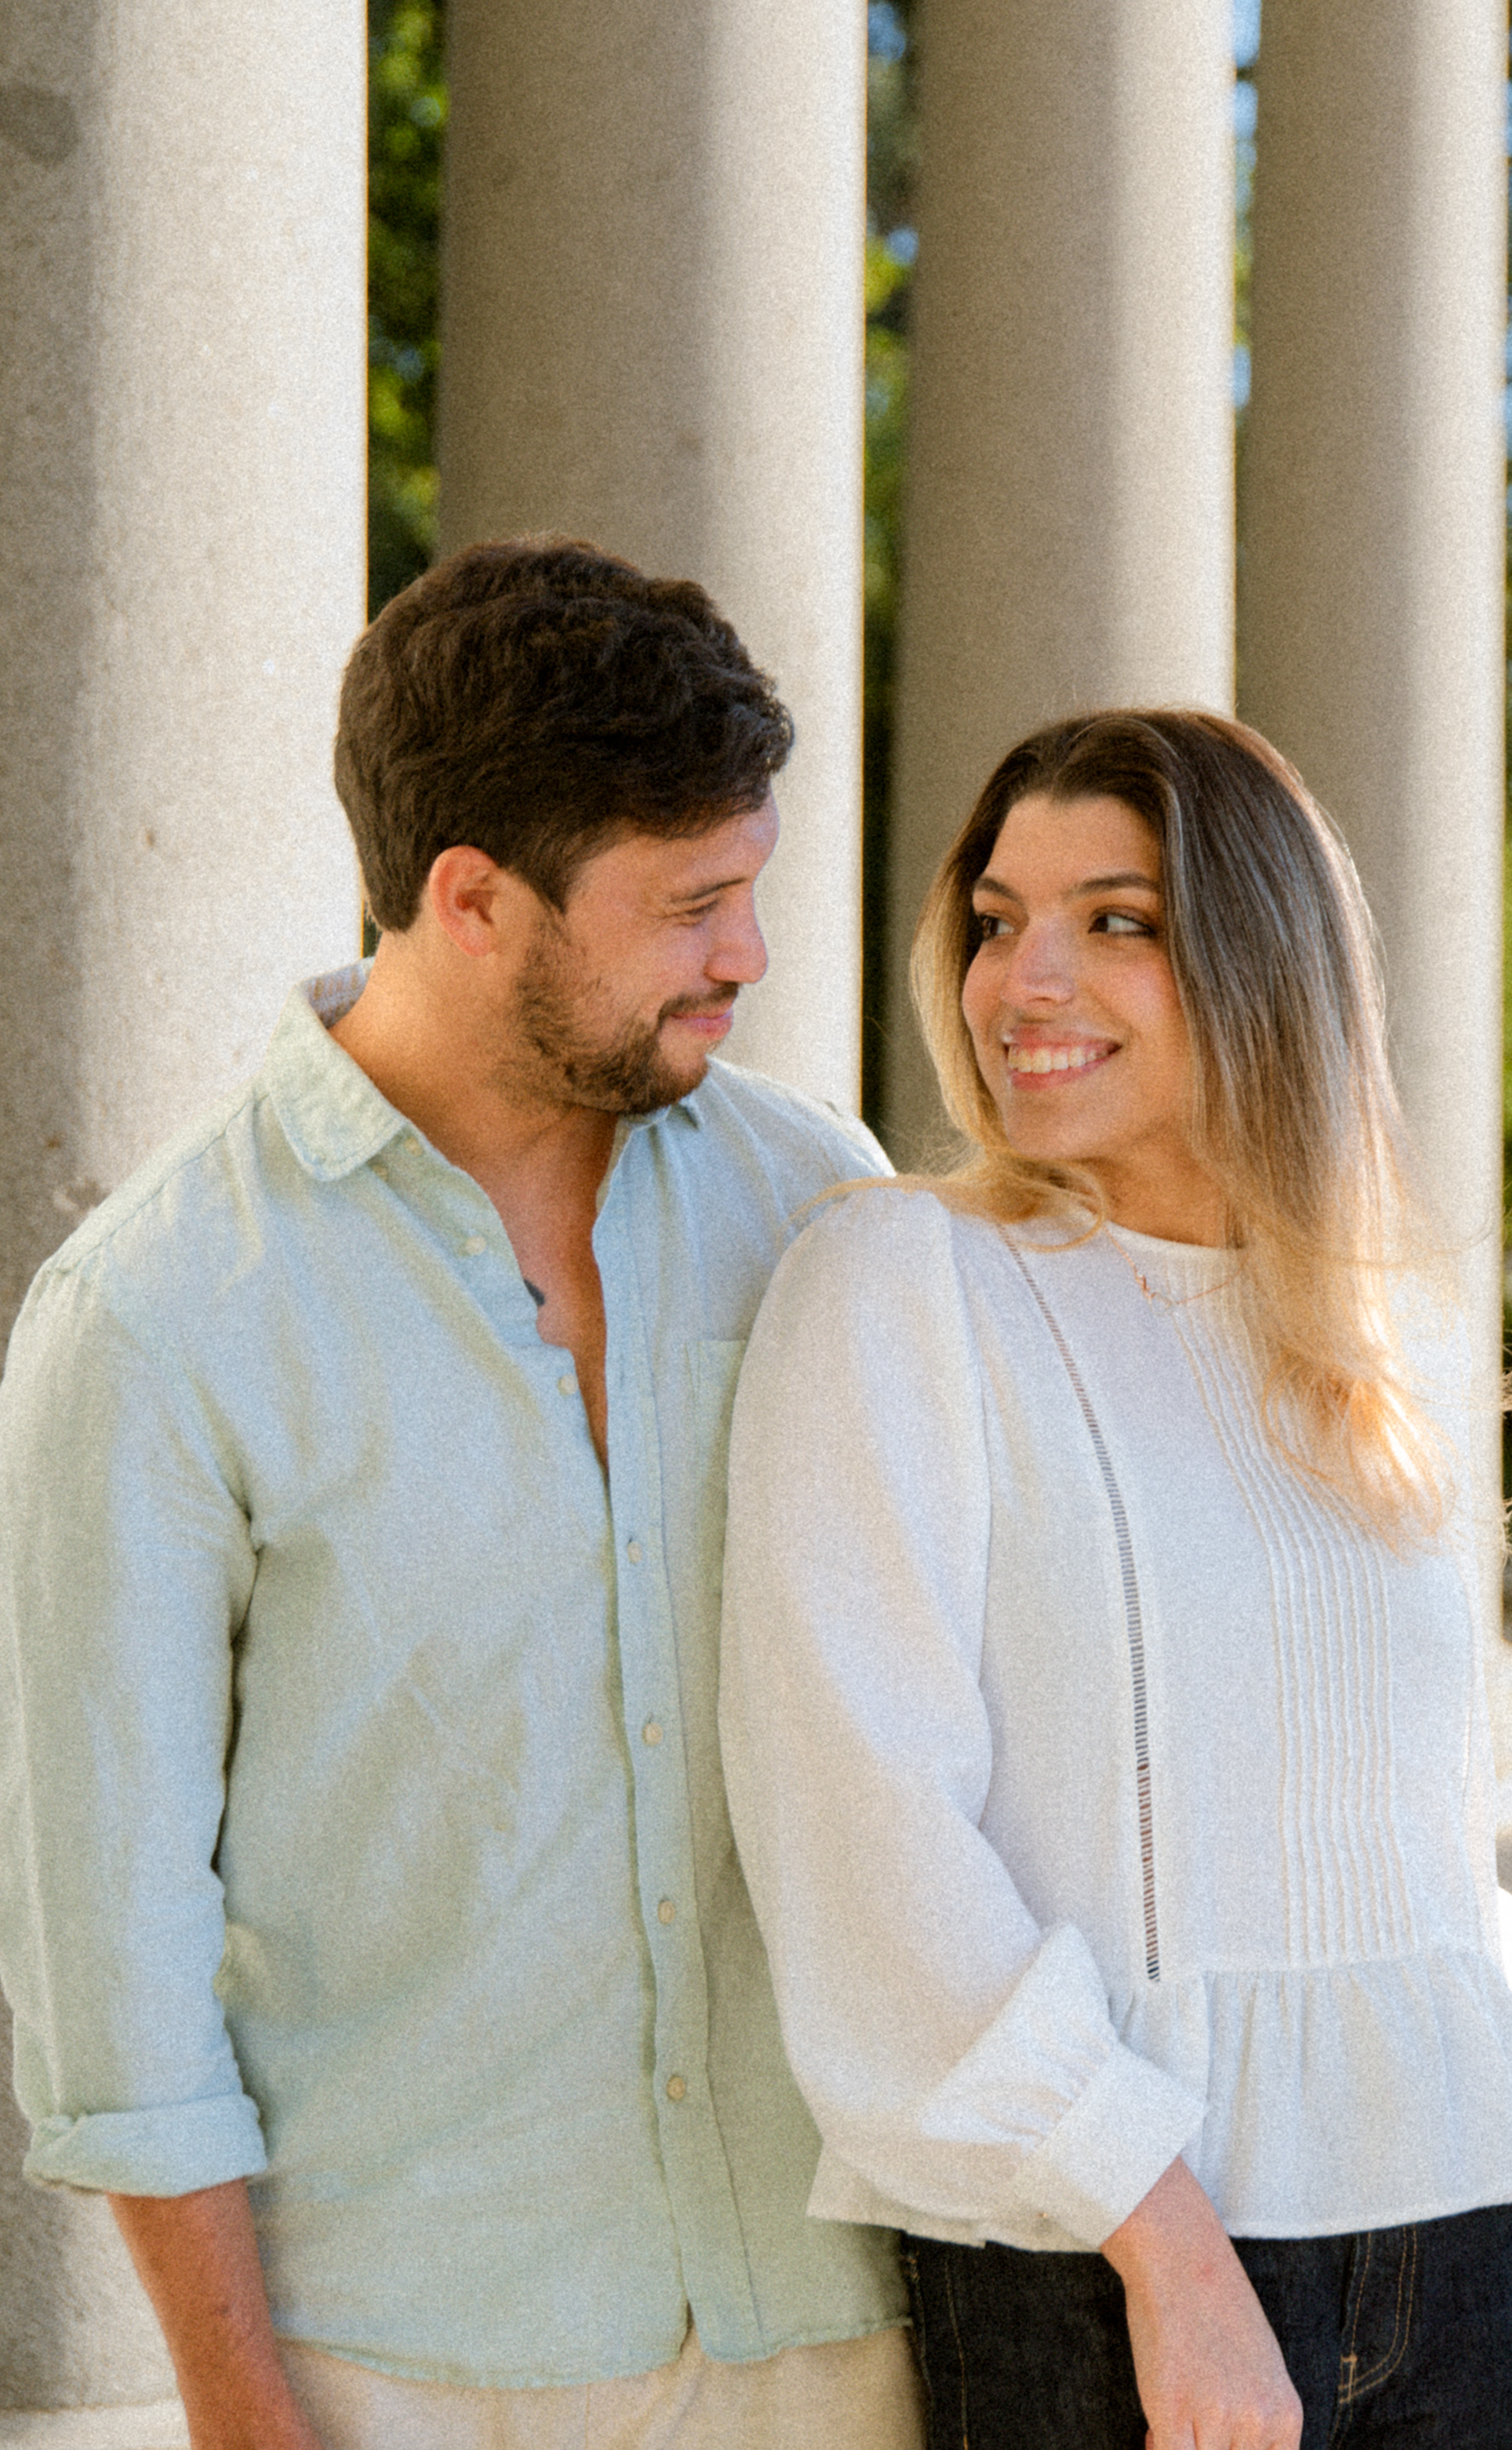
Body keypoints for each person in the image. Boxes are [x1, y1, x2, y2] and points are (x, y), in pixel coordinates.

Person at [0, 539, 923, 2450]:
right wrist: (243, 2406)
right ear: (474, 900)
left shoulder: (816, 1199)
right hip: (411, 2368)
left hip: (840, 2327)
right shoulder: (159, 1319)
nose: (747, 952)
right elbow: (111, 1946)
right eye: (691, 906)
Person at [719, 709, 1512, 2450]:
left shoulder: (1389, 1339)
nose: (1023, 979)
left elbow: (1402, 1824)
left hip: (1468, 2232)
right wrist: (1168, 2248)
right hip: (1110, 2264)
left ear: (1262, 954)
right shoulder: (907, 1285)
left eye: (1114, 919)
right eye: (996, 919)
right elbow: (869, 1832)